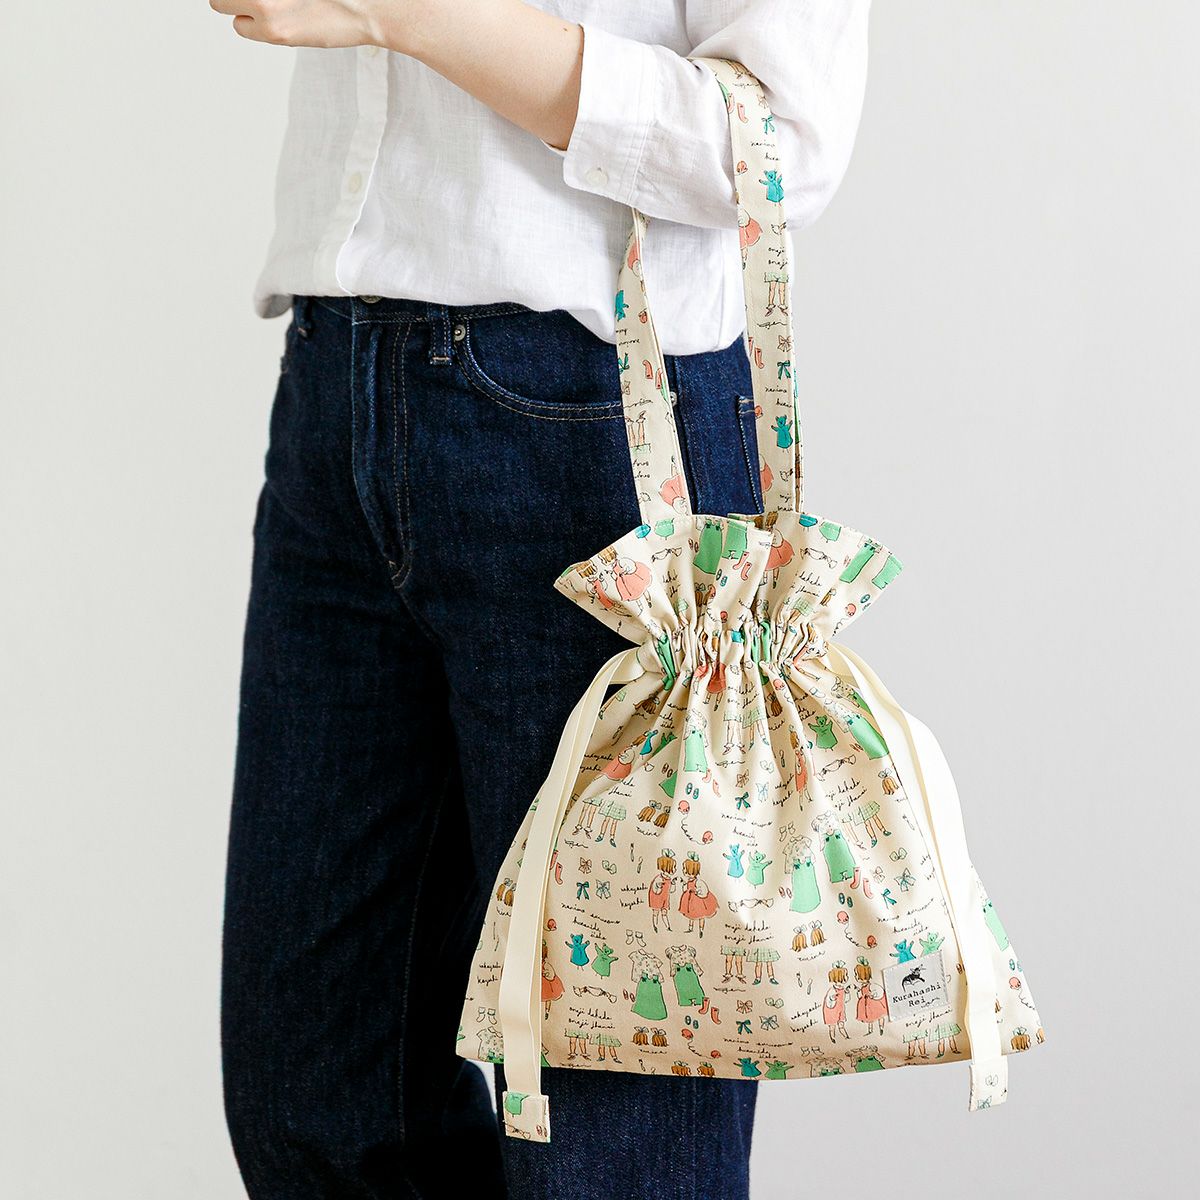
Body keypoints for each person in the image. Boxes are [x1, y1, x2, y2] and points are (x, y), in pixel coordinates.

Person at [213, 2, 871, 1197]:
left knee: (616, 1141)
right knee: (316, 1107)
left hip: (600, 426)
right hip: (335, 382)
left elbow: (774, 145)